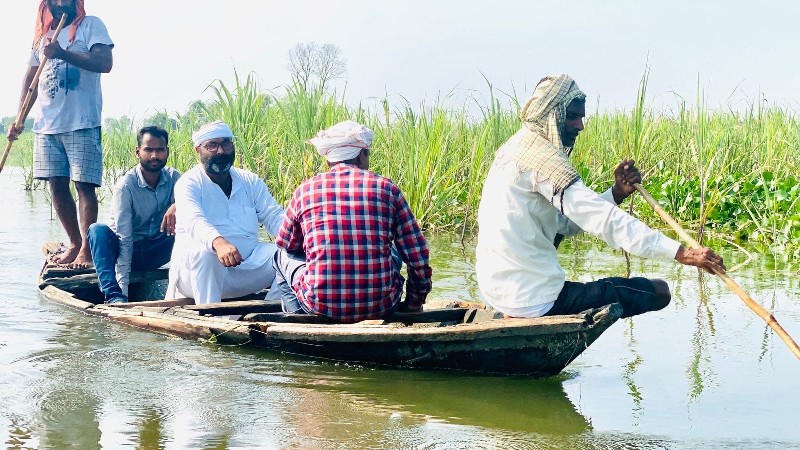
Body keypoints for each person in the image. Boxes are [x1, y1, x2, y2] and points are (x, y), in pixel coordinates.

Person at [475, 74, 726, 319]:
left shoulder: (514, 148)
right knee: (660, 291)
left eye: (581, 118)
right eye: (572, 117)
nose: (580, 126)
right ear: (551, 115)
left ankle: (515, 314)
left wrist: (616, 194)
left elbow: (564, 224)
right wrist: (682, 253)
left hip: (498, 291)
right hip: (533, 298)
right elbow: (604, 220)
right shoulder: (543, 161)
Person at [271, 120, 432, 323]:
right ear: (361, 155)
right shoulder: (387, 188)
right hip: (381, 305)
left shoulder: (305, 190)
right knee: (394, 251)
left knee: (279, 256)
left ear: (329, 160)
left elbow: (287, 244)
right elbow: (418, 257)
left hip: (319, 305)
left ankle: (297, 316)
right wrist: (413, 304)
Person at [6, 0, 114, 269]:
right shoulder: (41, 36)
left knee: (84, 186)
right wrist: (19, 118)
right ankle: (75, 243)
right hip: (46, 125)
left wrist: (62, 53)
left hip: (81, 121)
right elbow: (30, 80)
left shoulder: (91, 26)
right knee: (56, 185)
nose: (59, 3)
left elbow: (105, 62)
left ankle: (87, 251)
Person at [165, 121, 285, 304]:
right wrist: (218, 243)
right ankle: (210, 320)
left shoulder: (250, 181)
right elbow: (194, 221)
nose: (221, 151)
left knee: (290, 254)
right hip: (197, 276)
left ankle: (268, 313)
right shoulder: (188, 183)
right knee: (205, 253)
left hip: (246, 269)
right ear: (198, 150)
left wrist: (302, 238)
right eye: (212, 145)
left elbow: (274, 216)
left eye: (226, 144)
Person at [87, 126, 179, 304]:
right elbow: (124, 239)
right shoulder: (126, 186)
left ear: (167, 152)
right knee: (97, 230)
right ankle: (113, 294)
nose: (154, 156)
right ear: (138, 152)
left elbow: (196, 207)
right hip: (127, 249)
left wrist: (178, 205)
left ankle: (185, 287)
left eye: (160, 150)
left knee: (190, 223)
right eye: (148, 150)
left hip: (155, 249)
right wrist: (123, 292)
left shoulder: (175, 178)